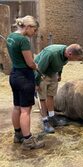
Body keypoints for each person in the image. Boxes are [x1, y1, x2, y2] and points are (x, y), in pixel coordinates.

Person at [6, 15, 45, 150]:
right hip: (24, 77)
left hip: (14, 75)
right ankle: (28, 140)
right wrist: (36, 67)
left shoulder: (11, 36)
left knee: (16, 107)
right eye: (34, 30)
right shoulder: (23, 40)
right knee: (25, 111)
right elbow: (30, 63)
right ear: (28, 26)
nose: (34, 33)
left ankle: (18, 135)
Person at [35, 44, 83, 133]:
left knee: (51, 96)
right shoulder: (51, 53)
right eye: (75, 58)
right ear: (70, 54)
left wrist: (59, 74)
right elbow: (39, 68)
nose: (75, 60)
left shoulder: (65, 55)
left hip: (52, 73)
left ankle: (52, 118)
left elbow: (61, 65)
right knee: (42, 98)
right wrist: (36, 83)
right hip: (41, 73)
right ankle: (45, 122)